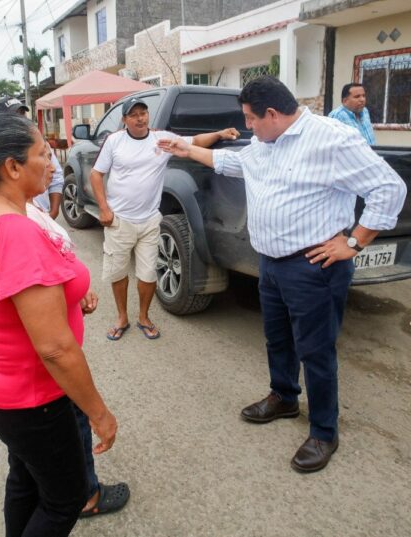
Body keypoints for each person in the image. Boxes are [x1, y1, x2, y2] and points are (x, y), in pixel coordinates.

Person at [159, 76, 406, 473]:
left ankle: (325, 431)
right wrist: (185, 149)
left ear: (272, 113)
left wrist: (355, 243)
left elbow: (388, 189)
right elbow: (234, 162)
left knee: (316, 350)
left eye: (250, 119)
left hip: (313, 267)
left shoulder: (331, 139)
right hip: (270, 264)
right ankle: (285, 397)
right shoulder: (265, 142)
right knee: (277, 338)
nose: (247, 127)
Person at [0, 114, 118, 536]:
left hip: (2, 394)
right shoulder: (16, 233)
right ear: (12, 167)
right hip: (36, 399)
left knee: (24, 478)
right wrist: (99, 411)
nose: (53, 165)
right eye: (43, 155)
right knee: (65, 499)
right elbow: (54, 348)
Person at [90, 96, 240, 341]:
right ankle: (121, 317)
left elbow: (195, 142)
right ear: (124, 119)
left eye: (143, 113)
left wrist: (220, 133)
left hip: (149, 221)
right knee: (118, 273)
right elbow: (96, 175)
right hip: (120, 221)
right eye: (134, 115)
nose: (140, 118)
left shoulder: (162, 139)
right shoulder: (114, 141)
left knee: (148, 275)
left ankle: (143, 317)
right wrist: (104, 209)